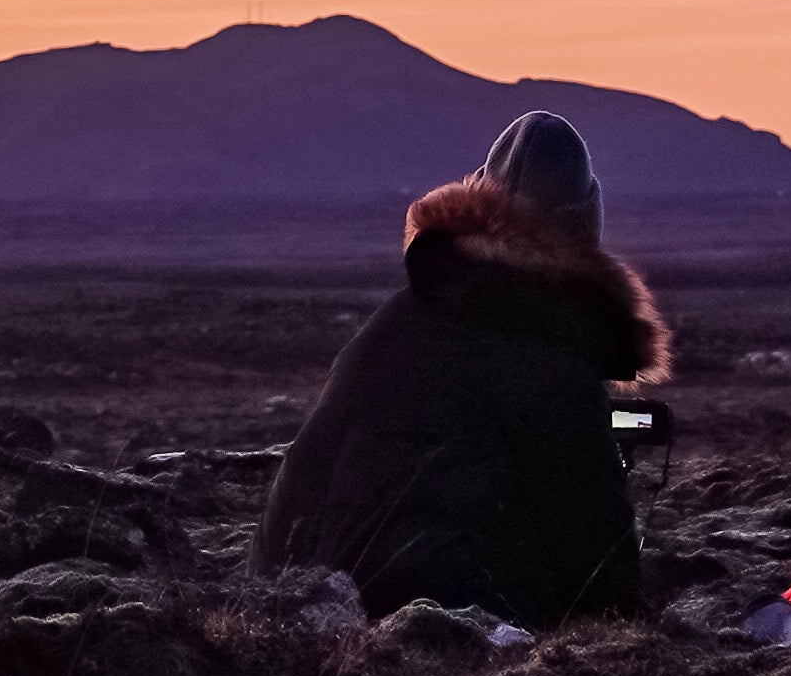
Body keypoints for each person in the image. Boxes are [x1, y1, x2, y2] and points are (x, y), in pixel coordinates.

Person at [256, 110, 668, 625]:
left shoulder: (395, 322)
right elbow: (601, 570)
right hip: (435, 615)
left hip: (289, 596)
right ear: (582, 233)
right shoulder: (554, 360)